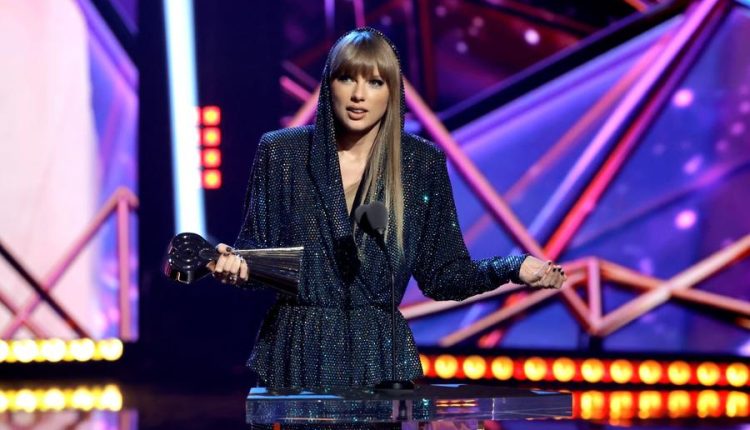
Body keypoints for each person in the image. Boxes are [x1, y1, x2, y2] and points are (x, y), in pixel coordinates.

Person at [210, 27, 566, 389]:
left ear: (392, 92)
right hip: (297, 353)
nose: (359, 95)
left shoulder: (420, 164)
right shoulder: (283, 153)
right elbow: (257, 255)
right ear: (328, 85)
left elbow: (444, 277)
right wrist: (237, 267)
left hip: (380, 358)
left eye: (375, 82)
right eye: (347, 78)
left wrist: (512, 267)